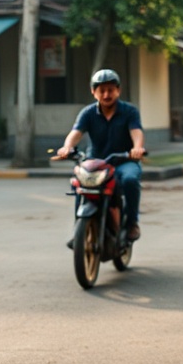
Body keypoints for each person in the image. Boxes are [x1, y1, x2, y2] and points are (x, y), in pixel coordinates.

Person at [56, 69, 146, 242]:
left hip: (124, 160)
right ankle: (79, 230)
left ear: (118, 90)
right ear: (93, 92)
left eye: (110, 90)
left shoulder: (130, 111)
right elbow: (76, 132)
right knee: (80, 184)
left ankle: (132, 223)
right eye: (101, 90)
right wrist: (67, 147)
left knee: (130, 180)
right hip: (95, 163)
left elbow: (136, 132)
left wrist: (137, 148)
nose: (106, 94)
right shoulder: (88, 113)